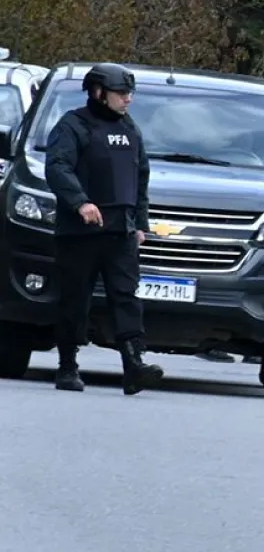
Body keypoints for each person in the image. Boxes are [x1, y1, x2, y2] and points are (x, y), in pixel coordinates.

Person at [44, 63, 164, 395]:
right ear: (99, 93)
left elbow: (140, 178)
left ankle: (134, 366)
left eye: (130, 93)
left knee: (126, 298)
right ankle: (67, 366)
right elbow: (57, 167)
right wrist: (81, 202)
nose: (128, 100)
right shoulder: (73, 125)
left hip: (120, 233)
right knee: (74, 300)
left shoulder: (131, 129)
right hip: (80, 234)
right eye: (122, 94)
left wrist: (140, 223)